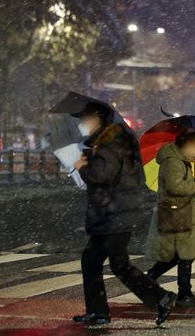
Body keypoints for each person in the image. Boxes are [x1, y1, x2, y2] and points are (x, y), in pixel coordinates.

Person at [72, 103, 175, 326]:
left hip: (113, 215)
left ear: (98, 120)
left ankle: (160, 298)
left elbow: (102, 177)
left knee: (108, 263)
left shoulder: (109, 146)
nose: (84, 124)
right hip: (116, 214)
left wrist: (82, 168)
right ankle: (100, 311)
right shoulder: (113, 144)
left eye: (86, 119)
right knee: (100, 262)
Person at [144, 130, 195, 308]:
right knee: (182, 255)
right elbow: (175, 186)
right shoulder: (173, 162)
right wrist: (194, 186)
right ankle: (183, 293)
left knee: (178, 255)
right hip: (176, 213)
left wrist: (191, 163)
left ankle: (152, 280)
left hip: (181, 212)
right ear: (187, 144)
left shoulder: (180, 160)